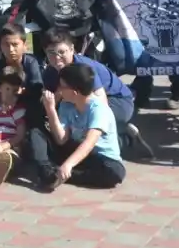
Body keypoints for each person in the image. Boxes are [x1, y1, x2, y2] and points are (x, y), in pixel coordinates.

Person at [38, 29, 150, 158]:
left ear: (72, 49)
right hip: (83, 103)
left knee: (85, 135)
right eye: (51, 52)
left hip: (117, 101)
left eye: (61, 52)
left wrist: (94, 123)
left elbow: (101, 101)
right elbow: (48, 100)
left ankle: (124, 136)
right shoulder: (49, 72)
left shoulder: (83, 67)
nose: (57, 58)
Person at [34, 62, 126, 191]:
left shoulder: (99, 109)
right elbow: (61, 139)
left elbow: (89, 143)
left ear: (74, 92)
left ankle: (57, 174)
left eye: (62, 86)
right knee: (36, 132)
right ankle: (46, 169)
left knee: (114, 173)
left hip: (100, 157)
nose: (59, 90)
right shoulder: (67, 104)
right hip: (75, 149)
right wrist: (50, 109)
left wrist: (68, 165)